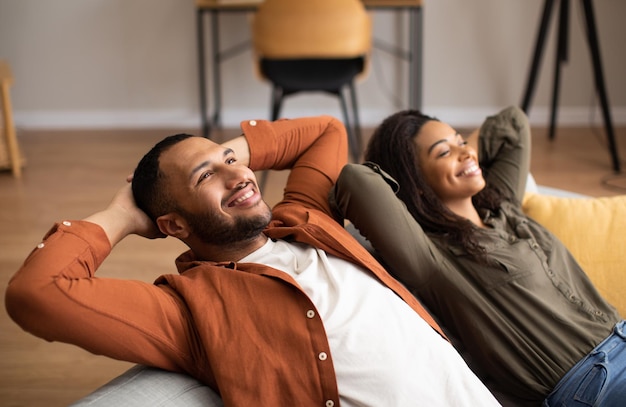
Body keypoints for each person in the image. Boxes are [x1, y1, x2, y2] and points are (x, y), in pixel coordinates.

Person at [5, 116, 501, 406]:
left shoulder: (306, 217)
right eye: (207, 178)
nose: (239, 176)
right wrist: (121, 215)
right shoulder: (191, 310)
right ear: (174, 226)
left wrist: (222, 159)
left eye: (233, 161)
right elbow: (38, 293)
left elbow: (325, 131)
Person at [330, 106, 626, 406]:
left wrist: (459, 153)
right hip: (592, 383)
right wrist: (439, 166)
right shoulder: (432, 260)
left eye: (462, 142)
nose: (467, 153)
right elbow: (356, 180)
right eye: (443, 153)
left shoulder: (503, 206)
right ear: (415, 183)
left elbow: (513, 123)